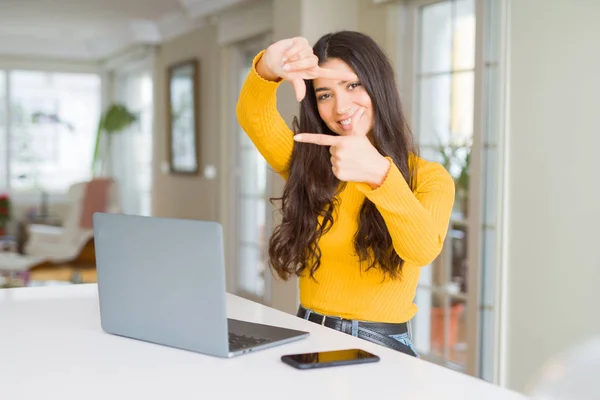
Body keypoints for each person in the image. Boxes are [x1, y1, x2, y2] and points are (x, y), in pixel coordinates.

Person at [236, 31, 455, 357]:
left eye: (353, 86)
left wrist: (380, 176)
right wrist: (268, 65)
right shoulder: (313, 166)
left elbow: (421, 249)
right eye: (324, 95)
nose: (340, 107)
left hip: (379, 345)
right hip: (308, 332)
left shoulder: (428, 178)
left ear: (379, 85)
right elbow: (254, 117)